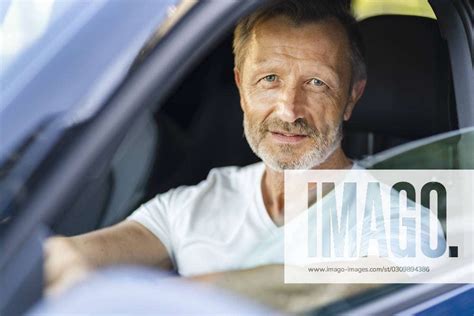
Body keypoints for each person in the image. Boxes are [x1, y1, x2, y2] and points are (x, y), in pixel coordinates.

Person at [44, 1, 440, 311]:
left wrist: (157, 302)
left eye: (317, 83)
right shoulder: (195, 203)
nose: (289, 109)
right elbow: (77, 255)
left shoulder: (401, 220)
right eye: (270, 79)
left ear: (351, 97)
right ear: (240, 86)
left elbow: (333, 286)